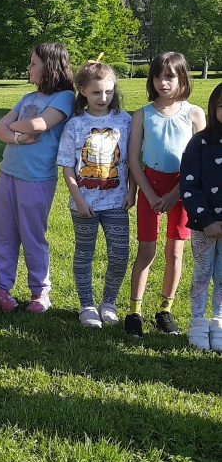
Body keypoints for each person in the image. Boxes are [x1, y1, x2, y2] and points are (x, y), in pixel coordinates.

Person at [125, 51, 205, 337]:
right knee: (146, 250)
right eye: (157, 76)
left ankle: (164, 310)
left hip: (184, 190)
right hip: (150, 187)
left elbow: (201, 161)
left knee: (175, 251)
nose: (163, 82)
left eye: (169, 76)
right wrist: (147, 193)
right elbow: (133, 159)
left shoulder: (194, 113)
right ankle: (134, 311)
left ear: (182, 77)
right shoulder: (142, 114)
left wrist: (175, 193)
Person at [0, 43, 75, 314]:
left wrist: (13, 128)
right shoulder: (27, 98)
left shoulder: (64, 97)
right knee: (3, 233)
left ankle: (40, 292)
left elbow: (39, 124)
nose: (28, 68)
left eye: (33, 63)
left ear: (50, 67)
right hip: (8, 173)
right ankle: (2, 287)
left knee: (32, 235)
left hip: (36, 178)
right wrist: (17, 137)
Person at [57, 62, 133, 328]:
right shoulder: (75, 124)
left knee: (120, 254)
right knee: (84, 254)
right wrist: (78, 200)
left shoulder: (125, 121)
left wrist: (132, 191)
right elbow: (67, 166)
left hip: (117, 202)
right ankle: (86, 305)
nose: (103, 98)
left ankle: (108, 303)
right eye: (97, 92)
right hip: (84, 204)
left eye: (109, 92)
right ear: (83, 91)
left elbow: (133, 160)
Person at [180, 82, 222, 350]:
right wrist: (206, 220)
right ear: (213, 107)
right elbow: (189, 185)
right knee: (202, 273)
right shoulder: (200, 143)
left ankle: (219, 320)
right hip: (203, 225)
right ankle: (197, 319)